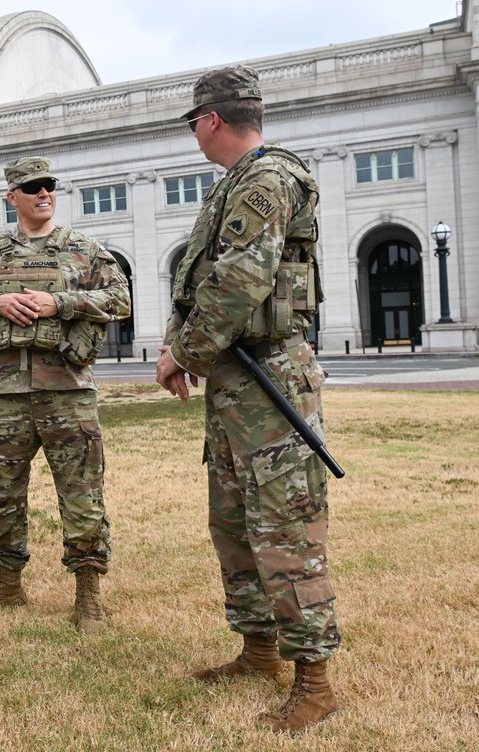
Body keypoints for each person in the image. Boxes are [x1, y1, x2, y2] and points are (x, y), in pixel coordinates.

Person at [155, 65, 340, 732]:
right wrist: (186, 346)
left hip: (271, 382)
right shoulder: (231, 186)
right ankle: (258, 650)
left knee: (286, 530)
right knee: (234, 525)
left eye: (194, 124)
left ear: (210, 121)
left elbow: (239, 282)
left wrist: (183, 352)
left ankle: (314, 682)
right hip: (236, 382)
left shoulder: (266, 180)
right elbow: (199, 282)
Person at [0, 155, 130, 634]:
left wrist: (60, 302)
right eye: (32, 187)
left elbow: (120, 300)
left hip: (68, 394)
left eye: (49, 185)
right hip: (5, 397)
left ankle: (88, 596)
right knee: (0, 498)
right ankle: (7, 586)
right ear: (13, 197)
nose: (43, 193)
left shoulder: (84, 251)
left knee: (83, 496)